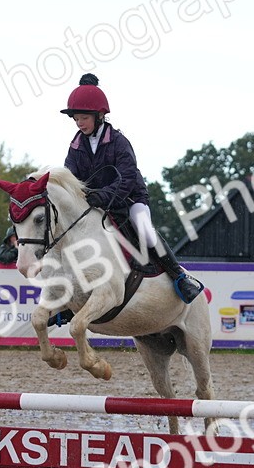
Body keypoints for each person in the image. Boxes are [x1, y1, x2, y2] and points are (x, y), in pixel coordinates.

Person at [59, 73, 204, 304]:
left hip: (129, 199)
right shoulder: (76, 145)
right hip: (96, 202)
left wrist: (103, 196)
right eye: (76, 119)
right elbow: (70, 177)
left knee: (145, 229)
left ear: (99, 115)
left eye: (83, 118)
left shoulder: (118, 142)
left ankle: (178, 277)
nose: (79, 123)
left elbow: (126, 179)